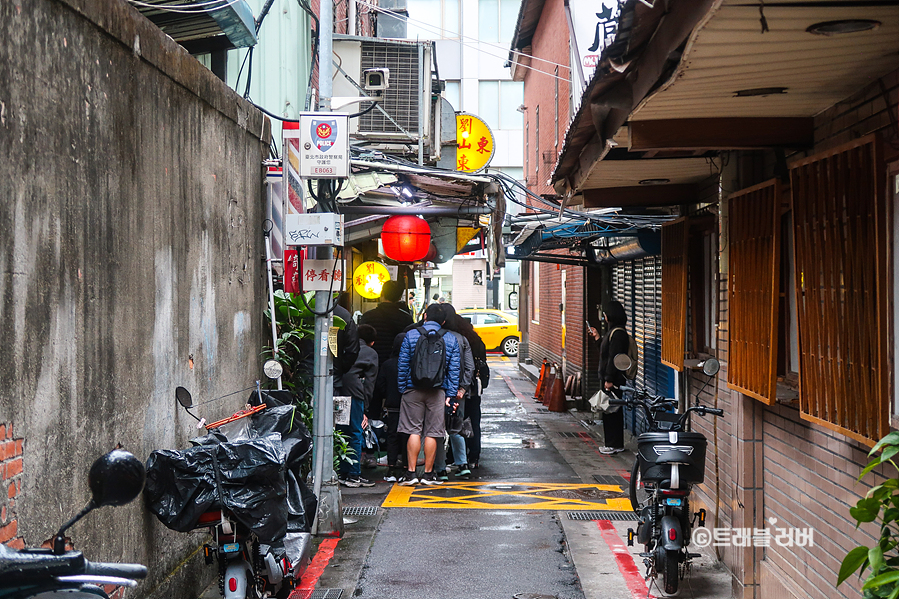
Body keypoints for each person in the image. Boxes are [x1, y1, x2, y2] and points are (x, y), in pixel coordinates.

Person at [396, 303, 461, 485]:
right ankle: (428, 475)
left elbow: (402, 365)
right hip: (438, 391)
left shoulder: (411, 335)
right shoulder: (450, 339)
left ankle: (410, 474)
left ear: (425, 316)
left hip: (412, 389)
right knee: (433, 432)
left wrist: (403, 388)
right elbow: (454, 370)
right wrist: (450, 394)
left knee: (413, 431)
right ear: (444, 321)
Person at [337, 323, 379, 487]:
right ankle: (354, 474)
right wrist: (366, 407)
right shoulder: (371, 353)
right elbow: (370, 382)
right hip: (355, 394)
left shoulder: (344, 348)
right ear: (372, 342)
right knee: (355, 432)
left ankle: (342, 471)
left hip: (338, 391)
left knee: (341, 432)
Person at [436, 304, 475, 479]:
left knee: (436, 429)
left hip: (436, 391)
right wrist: (462, 388)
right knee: (456, 427)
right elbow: (470, 367)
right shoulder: (462, 339)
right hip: (458, 393)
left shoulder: (432, 336)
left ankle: (440, 468)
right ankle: (462, 464)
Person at [588, 300, 630, 455]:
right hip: (610, 379)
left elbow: (615, 358)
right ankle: (611, 443)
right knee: (609, 410)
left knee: (612, 412)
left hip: (614, 380)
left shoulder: (618, 334)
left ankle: (615, 444)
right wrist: (598, 337)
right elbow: (606, 353)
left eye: (605, 314)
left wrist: (609, 380)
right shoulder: (613, 332)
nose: (603, 316)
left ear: (610, 315)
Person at [373, 332, 407, 482]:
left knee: (392, 435)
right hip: (409, 404)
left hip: (392, 404)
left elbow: (380, 385)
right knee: (408, 434)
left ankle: (392, 468)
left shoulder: (387, 364)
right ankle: (407, 468)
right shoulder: (411, 362)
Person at [359, 281, 414, 368]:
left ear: (382, 293)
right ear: (400, 297)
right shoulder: (406, 318)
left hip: (372, 362)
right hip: (397, 365)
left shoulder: (368, 316)